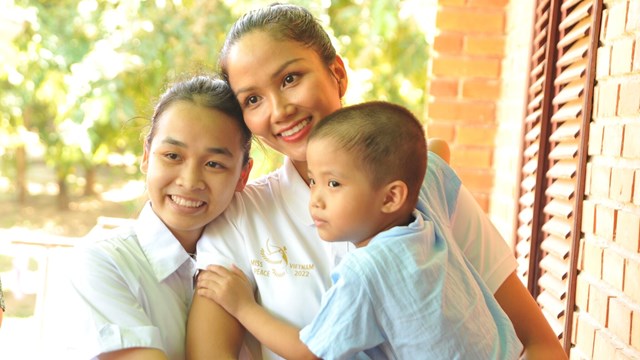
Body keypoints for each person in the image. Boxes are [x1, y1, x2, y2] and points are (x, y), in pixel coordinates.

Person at [188, 3, 566, 359]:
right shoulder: (241, 216)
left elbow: (540, 344)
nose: (280, 110)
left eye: (290, 78)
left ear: (337, 73)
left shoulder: (425, 185)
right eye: (252, 100)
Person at [198, 101, 523, 359]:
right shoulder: (425, 220)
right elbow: (438, 152)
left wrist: (243, 306)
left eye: (334, 183)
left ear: (392, 196)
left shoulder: (365, 272)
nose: (316, 199)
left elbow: (308, 352)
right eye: (314, 180)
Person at [66, 74, 253, 359]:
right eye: (172, 156)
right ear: (146, 155)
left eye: (214, 164)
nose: (190, 182)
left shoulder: (256, 263)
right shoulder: (103, 261)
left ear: (243, 175)